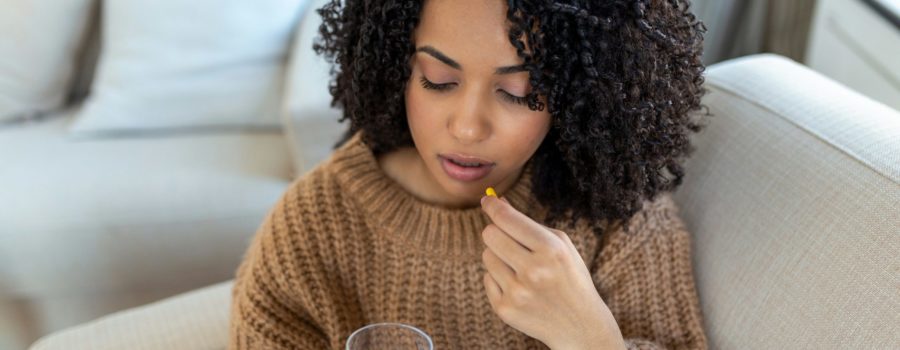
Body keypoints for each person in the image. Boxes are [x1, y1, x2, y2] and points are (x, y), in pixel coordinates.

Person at [229, 0, 709, 348]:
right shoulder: (313, 228)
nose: (467, 127)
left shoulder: (615, 219)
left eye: (519, 92)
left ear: (579, 93)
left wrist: (588, 336)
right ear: (396, 67)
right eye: (439, 81)